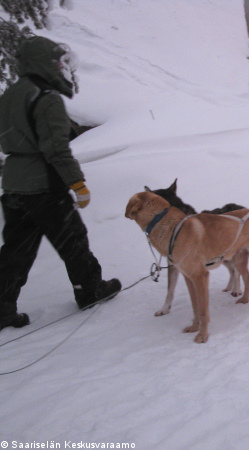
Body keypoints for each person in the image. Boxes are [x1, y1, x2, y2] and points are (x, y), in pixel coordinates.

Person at [0, 36, 121, 331]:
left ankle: (2, 309)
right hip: (44, 187)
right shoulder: (46, 97)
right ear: (44, 62)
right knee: (73, 241)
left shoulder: (10, 95)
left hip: (13, 186)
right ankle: (90, 290)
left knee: (16, 250)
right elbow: (56, 149)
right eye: (58, 62)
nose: (62, 68)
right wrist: (77, 183)